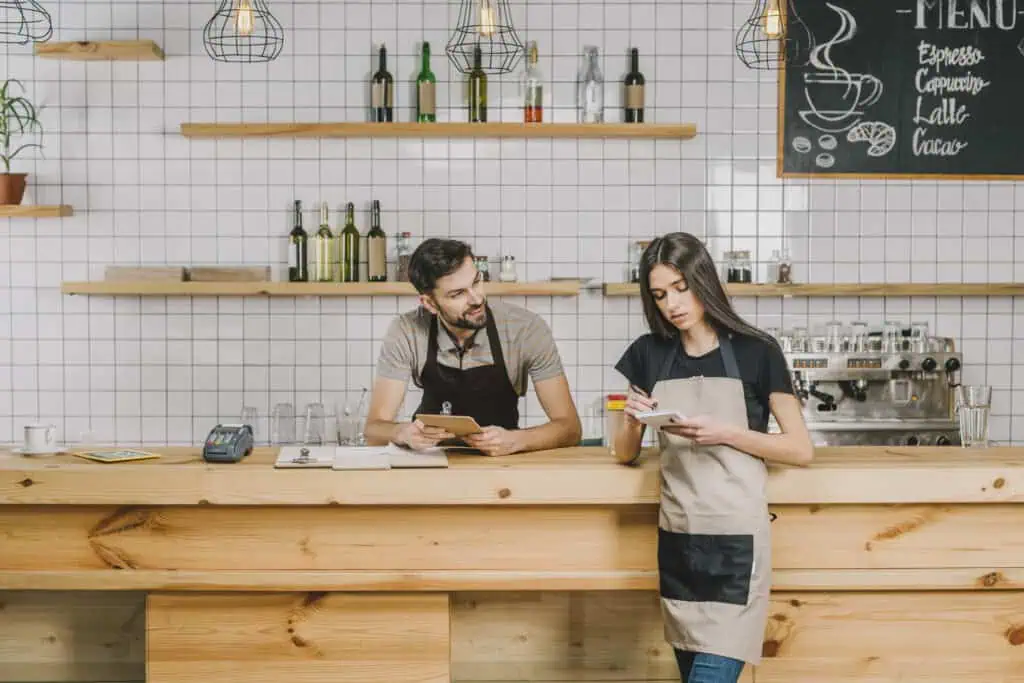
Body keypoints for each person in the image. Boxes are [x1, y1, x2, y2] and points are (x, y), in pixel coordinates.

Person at [612, 232, 813, 683]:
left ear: (703, 280)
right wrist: (632, 419)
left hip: (737, 539)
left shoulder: (756, 351)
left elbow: (800, 449)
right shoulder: (649, 354)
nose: (672, 304)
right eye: (660, 294)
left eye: (681, 287)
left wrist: (726, 433)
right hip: (680, 537)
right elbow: (625, 454)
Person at [365, 238, 582, 455]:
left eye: (476, 282)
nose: (477, 299)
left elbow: (571, 429)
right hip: (430, 466)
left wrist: (516, 440)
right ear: (430, 303)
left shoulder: (526, 329)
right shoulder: (406, 331)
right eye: (458, 294)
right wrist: (402, 433)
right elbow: (374, 430)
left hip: (502, 467)